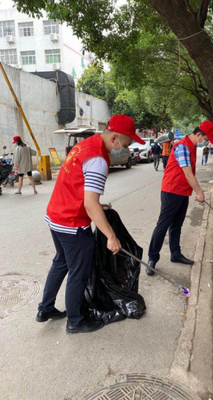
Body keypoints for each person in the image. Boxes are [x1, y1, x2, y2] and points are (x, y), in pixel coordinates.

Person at [36, 115, 145, 334]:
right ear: (114, 137)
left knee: (61, 263)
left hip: (56, 216)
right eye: (125, 143)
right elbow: (89, 204)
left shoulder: (85, 145)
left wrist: (96, 204)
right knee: (79, 271)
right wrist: (111, 237)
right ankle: (75, 321)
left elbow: (80, 189)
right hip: (72, 223)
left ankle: (45, 309)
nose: (125, 148)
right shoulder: (99, 160)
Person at [146, 121, 213, 275]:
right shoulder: (183, 146)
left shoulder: (191, 147)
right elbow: (188, 173)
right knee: (163, 225)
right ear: (199, 135)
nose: (205, 141)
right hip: (171, 191)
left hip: (183, 192)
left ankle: (175, 254)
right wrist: (199, 192)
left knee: (177, 225)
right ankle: (152, 258)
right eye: (205, 138)